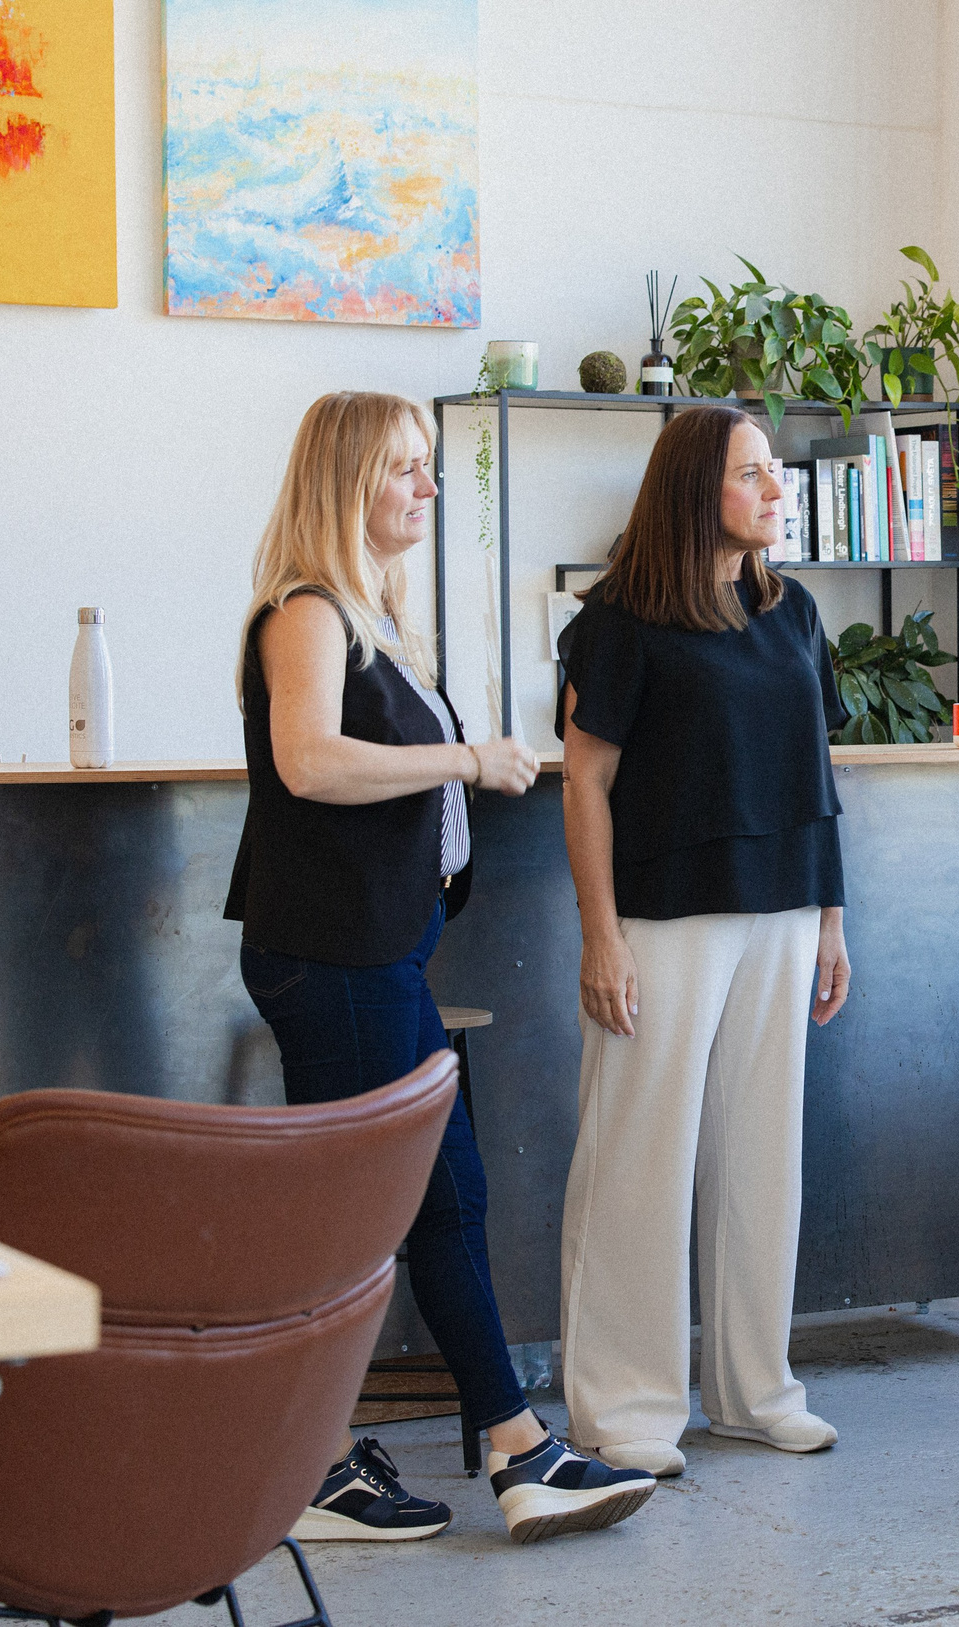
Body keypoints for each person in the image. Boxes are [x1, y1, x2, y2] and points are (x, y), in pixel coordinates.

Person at [226, 391, 657, 1544]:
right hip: (339, 958)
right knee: (427, 1201)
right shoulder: (306, 615)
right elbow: (308, 762)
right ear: (345, 483)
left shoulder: (365, 615)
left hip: (371, 953)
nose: (425, 488)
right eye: (405, 469)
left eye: (427, 467)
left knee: (392, 1211)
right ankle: (508, 1451)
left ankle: (331, 1461)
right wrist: (466, 757)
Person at [555, 403, 853, 1479]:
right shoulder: (620, 620)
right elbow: (584, 781)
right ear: (695, 490)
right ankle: (624, 1405)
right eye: (752, 475)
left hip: (781, 909)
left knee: (758, 1160)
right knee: (639, 1159)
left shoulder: (793, 613)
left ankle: (752, 1389)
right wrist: (599, 936)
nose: (777, 490)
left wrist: (829, 918)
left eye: (775, 473)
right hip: (660, 918)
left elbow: (817, 775)